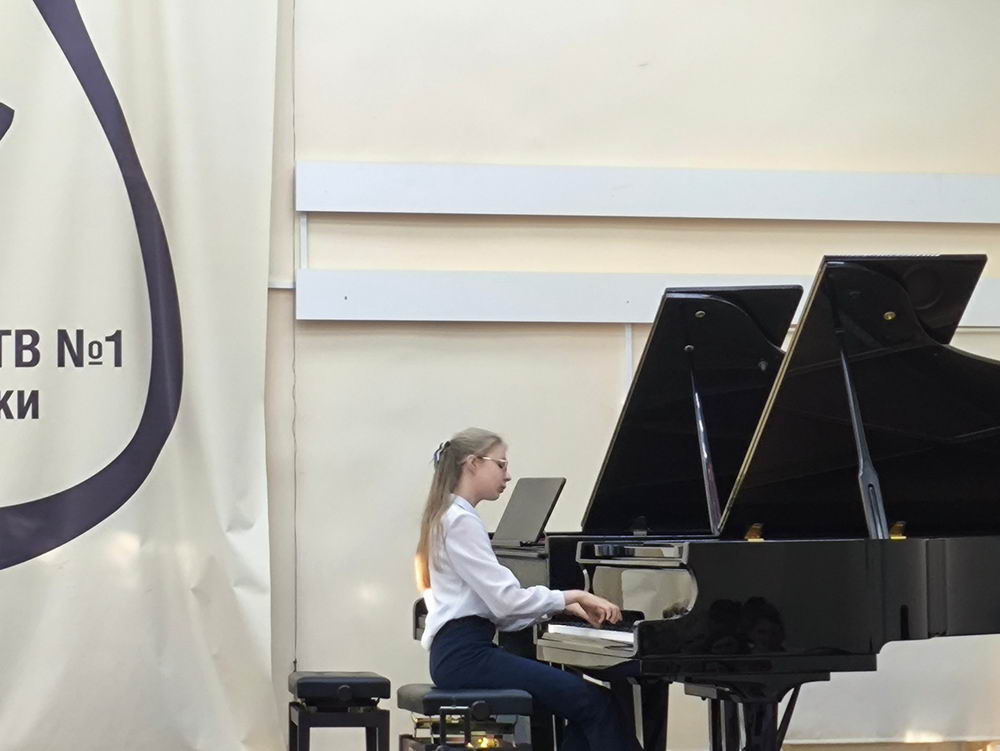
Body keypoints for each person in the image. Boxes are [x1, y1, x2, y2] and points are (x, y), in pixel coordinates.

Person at [416, 427, 644, 751]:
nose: (507, 475)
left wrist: (560, 607)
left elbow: (500, 611)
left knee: (588, 705)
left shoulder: (449, 515)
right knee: (595, 705)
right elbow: (507, 603)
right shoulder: (461, 521)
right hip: (467, 658)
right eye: (501, 465)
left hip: (458, 654)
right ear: (473, 464)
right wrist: (574, 595)